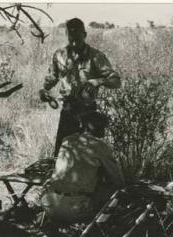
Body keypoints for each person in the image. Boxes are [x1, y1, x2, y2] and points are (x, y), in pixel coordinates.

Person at [39, 17, 121, 157]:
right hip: (67, 112)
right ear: (67, 35)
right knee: (61, 156)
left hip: (88, 112)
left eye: (77, 36)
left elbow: (116, 81)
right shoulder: (59, 55)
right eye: (71, 36)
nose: (74, 40)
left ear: (84, 35)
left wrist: (99, 81)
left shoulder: (96, 56)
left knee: (90, 157)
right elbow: (51, 79)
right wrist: (44, 92)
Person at [40, 110, 124, 226]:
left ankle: (55, 230)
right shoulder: (99, 146)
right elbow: (118, 180)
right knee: (116, 193)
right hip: (75, 209)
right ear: (96, 128)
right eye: (102, 127)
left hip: (48, 204)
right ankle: (100, 231)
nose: (104, 131)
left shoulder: (67, 140)